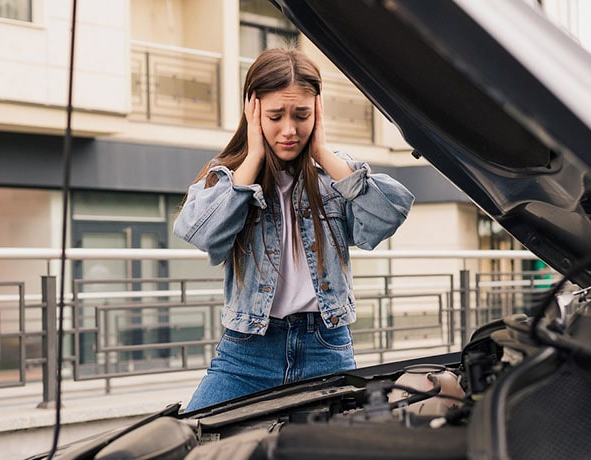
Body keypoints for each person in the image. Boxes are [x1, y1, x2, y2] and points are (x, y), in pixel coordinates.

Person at [173, 47, 414, 411]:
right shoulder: (230, 176)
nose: (289, 130)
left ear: (317, 111)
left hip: (326, 347)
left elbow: (388, 215)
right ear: (253, 111)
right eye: (275, 116)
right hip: (248, 352)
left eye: (302, 115)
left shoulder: (334, 175)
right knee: (194, 431)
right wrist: (254, 156)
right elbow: (201, 234)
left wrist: (324, 152)